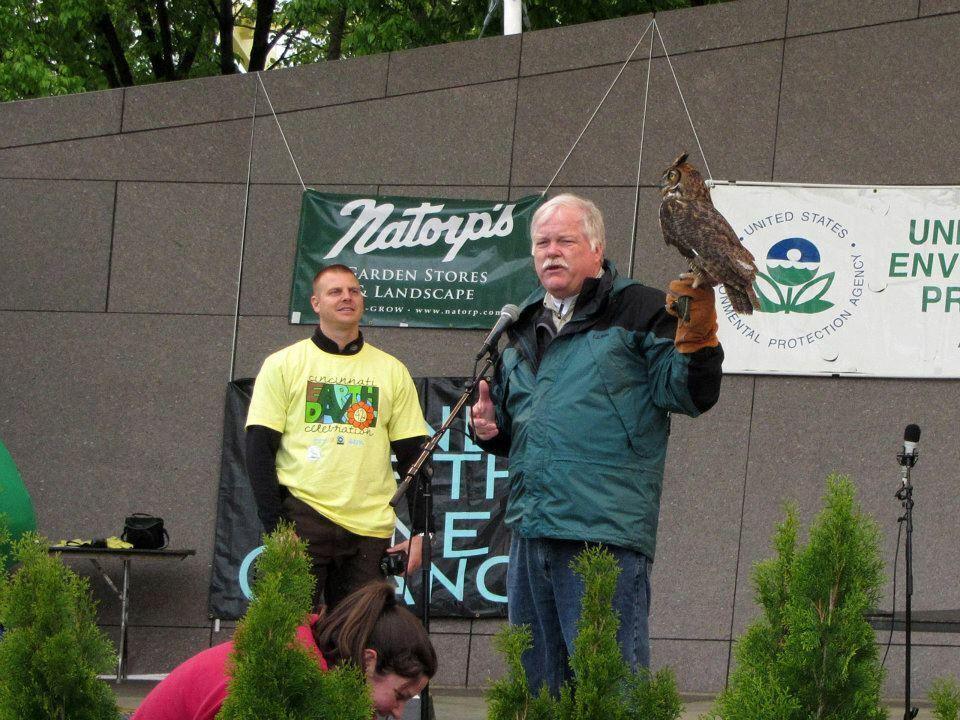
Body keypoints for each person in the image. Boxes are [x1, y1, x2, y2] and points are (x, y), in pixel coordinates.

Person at [470, 193, 723, 696]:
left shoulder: (644, 308)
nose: (551, 252)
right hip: (529, 531)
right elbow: (520, 428)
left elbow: (689, 394)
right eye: (542, 242)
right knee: (537, 692)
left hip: (602, 533)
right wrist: (491, 430)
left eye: (565, 240)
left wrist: (702, 343)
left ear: (597, 247)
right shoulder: (520, 325)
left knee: (611, 692)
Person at [245, 265, 433, 610]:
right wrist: (276, 528)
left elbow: (415, 459)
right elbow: (258, 449)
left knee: (357, 645)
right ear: (315, 303)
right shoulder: (283, 364)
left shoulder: (392, 370)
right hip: (302, 519)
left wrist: (421, 533)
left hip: (369, 529)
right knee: (289, 637)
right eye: (335, 292)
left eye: (354, 291)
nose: (347, 297)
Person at [131, 580, 436, 720]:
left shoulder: (309, 665)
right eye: (400, 695)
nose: (399, 713)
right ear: (368, 661)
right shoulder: (284, 678)